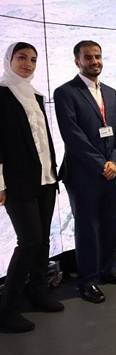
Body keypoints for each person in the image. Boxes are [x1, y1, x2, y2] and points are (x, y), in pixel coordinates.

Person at [54, 40, 116, 304]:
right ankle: (88, 280)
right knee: (87, 227)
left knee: (113, 222)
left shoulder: (112, 93)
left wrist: (114, 161)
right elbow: (72, 135)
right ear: (77, 60)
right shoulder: (65, 93)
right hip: (83, 174)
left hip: (113, 171)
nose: (94, 62)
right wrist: (101, 164)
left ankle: (109, 269)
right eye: (88, 57)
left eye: (98, 57)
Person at [0, 43, 63, 333]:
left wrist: (53, 173)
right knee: (28, 242)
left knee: (42, 241)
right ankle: (8, 309)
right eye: (22, 57)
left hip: (46, 179)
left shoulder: (35, 94)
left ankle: (38, 292)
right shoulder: (1, 93)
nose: (28, 63)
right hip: (18, 182)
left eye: (33, 59)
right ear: (8, 59)